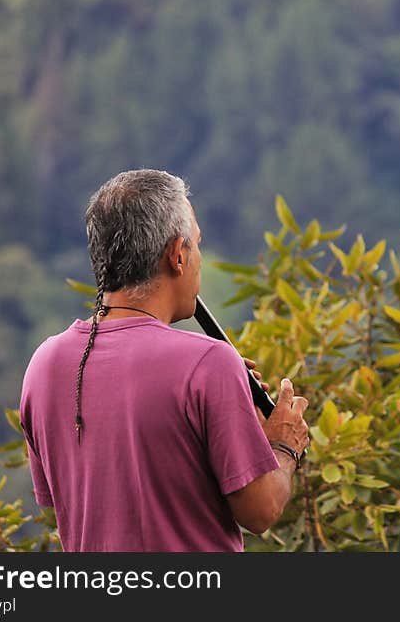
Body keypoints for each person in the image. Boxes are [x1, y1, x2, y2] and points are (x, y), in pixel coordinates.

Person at [18, 169, 310, 551]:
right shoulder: (208, 363)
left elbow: (71, 497)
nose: (199, 261)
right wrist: (284, 445)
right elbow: (260, 511)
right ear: (177, 255)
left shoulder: (44, 365)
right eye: (198, 245)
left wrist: (235, 418)